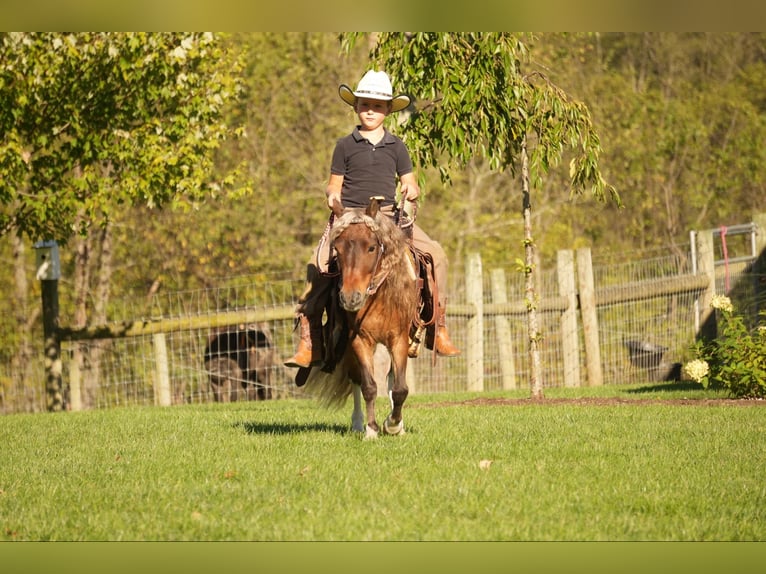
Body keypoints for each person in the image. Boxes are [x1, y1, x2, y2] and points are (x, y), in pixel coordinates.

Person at [284, 70, 460, 369]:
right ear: (356, 106)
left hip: (387, 216)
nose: (370, 111)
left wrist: (411, 188)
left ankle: (437, 327)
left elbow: (410, 180)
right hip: (350, 216)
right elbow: (334, 183)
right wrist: (332, 196)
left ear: (388, 110)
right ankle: (310, 340)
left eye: (378, 106)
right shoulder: (344, 145)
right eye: (365, 104)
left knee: (436, 255)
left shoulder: (397, 146)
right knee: (318, 264)